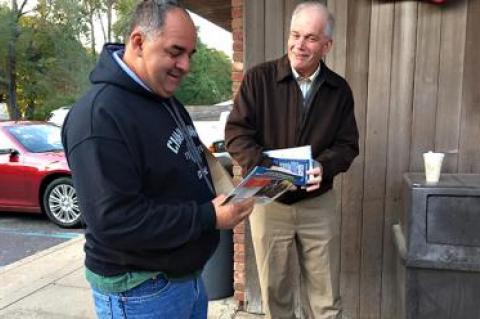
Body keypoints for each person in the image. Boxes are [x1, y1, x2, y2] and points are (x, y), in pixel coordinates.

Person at [62, 1, 254, 318]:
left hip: (184, 279)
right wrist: (208, 216)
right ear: (138, 42)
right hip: (140, 291)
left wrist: (228, 195)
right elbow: (115, 220)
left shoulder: (164, 99)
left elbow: (188, 163)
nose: (185, 65)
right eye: (175, 51)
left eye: (189, 54)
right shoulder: (99, 117)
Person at [225, 2, 359, 318]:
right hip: (270, 202)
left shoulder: (339, 90)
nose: (299, 45)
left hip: (317, 204)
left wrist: (325, 166)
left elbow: (347, 144)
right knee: (275, 296)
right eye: (295, 35)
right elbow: (236, 133)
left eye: (310, 38)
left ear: (327, 46)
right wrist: (268, 168)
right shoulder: (259, 79)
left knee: (325, 299)